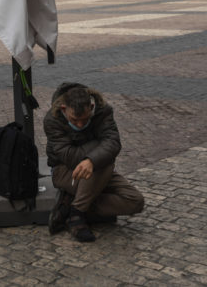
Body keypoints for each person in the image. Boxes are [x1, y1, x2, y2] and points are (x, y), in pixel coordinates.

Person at [44, 82, 144, 242]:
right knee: (105, 159)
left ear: (91, 107)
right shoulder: (53, 119)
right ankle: (77, 215)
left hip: (97, 171)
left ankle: (71, 206)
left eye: (85, 119)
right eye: (75, 119)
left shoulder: (103, 111)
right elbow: (69, 156)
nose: (80, 124)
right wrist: (94, 154)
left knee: (135, 201)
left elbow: (113, 143)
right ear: (64, 109)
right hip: (64, 170)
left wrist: (92, 160)